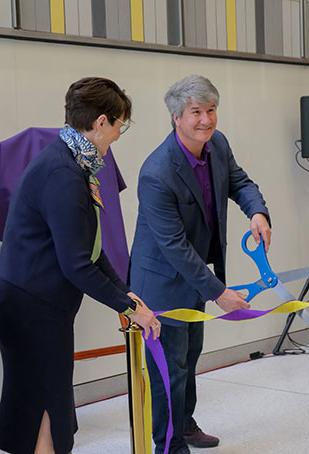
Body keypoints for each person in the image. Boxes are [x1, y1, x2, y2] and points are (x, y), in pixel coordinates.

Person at [0, 77, 161, 454]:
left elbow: (88, 249)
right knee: (43, 405)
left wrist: (125, 293)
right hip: (33, 309)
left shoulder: (71, 162)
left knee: (45, 406)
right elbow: (76, 265)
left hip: (39, 305)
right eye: (121, 124)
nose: (120, 134)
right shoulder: (63, 174)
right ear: (101, 122)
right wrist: (129, 307)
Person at [130, 74, 271, 454]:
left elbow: (239, 182)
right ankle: (169, 445)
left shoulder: (217, 145)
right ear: (177, 117)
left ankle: (185, 423)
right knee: (168, 370)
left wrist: (257, 212)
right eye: (196, 112)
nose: (206, 120)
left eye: (211, 110)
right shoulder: (156, 172)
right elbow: (173, 245)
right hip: (161, 282)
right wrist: (219, 292)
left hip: (195, 278)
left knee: (188, 360)